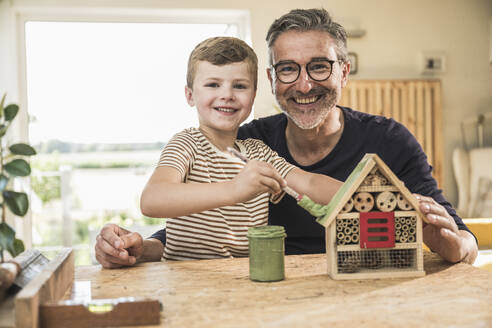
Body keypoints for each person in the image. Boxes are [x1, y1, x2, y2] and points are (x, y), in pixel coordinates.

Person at [95, 8, 478, 267]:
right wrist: (140, 248)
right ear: (273, 80)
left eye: (319, 66)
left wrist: (398, 203)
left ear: (344, 72)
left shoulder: (388, 140)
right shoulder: (216, 142)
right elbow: (181, 217)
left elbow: (311, 183)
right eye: (289, 69)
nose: (305, 83)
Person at [128, 36, 342, 261]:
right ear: (190, 95)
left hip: (242, 281)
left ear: (253, 96)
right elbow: (152, 200)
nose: (227, 95)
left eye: (239, 86)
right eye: (213, 85)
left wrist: (363, 195)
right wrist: (234, 189)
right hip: (185, 282)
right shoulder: (186, 144)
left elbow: (309, 183)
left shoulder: (259, 153)